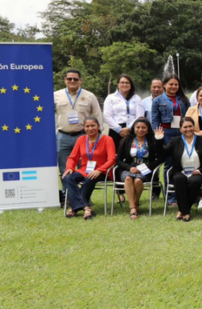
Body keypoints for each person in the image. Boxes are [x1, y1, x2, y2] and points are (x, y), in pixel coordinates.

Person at [54, 69, 104, 203]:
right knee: (65, 169)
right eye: (69, 79)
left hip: (84, 137)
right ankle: (67, 198)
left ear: (80, 80)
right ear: (65, 80)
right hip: (63, 137)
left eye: (75, 79)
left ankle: (83, 197)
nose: (72, 81)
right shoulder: (55, 95)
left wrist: (98, 136)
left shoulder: (89, 96)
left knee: (86, 169)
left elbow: (97, 115)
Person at [62, 117, 116, 220]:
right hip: (84, 170)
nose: (90, 128)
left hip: (102, 171)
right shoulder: (81, 139)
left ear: (98, 126)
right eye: (87, 126)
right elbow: (72, 157)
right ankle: (86, 207)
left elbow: (112, 159)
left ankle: (74, 208)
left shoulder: (107, 139)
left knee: (89, 179)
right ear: (84, 128)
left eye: (93, 125)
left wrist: (99, 170)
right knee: (68, 177)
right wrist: (69, 167)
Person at [161, 116, 202, 222]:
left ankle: (182, 211)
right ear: (180, 129)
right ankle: (186, 212)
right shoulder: (175, 141)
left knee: (196, 181)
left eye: (190, 126)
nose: (188, 129)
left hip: (197, 172)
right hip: (180, 171)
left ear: (194, 127)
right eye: (185, 127)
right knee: (178, 179)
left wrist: (201, 170)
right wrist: (159, 140)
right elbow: (163, 154)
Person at [116, 118, 165, 219]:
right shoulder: (126, 140)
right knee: (129, 178)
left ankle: (136, 202)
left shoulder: (153, 141)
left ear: (148, 129)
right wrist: (129, 168)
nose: (140, 130)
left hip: (146, 168)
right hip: (129, 168)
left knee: (138, 181)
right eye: (138, 127)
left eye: (143, 127)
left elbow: (161, 158)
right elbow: (118, 160)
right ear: (133, 128)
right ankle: (133, 207)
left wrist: (159, 140)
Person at [103, 74, 144, 150]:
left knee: (132, 152)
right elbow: (107, 116)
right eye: (122, 82)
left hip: (133, 129)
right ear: (118, 84)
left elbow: (140, 115)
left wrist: (128, 128)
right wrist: (119, 129)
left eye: (127, 83)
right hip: (115, 129)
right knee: (115, 153)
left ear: (131, 85)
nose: (124, 84)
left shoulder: (136, 98)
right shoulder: (110, 97)